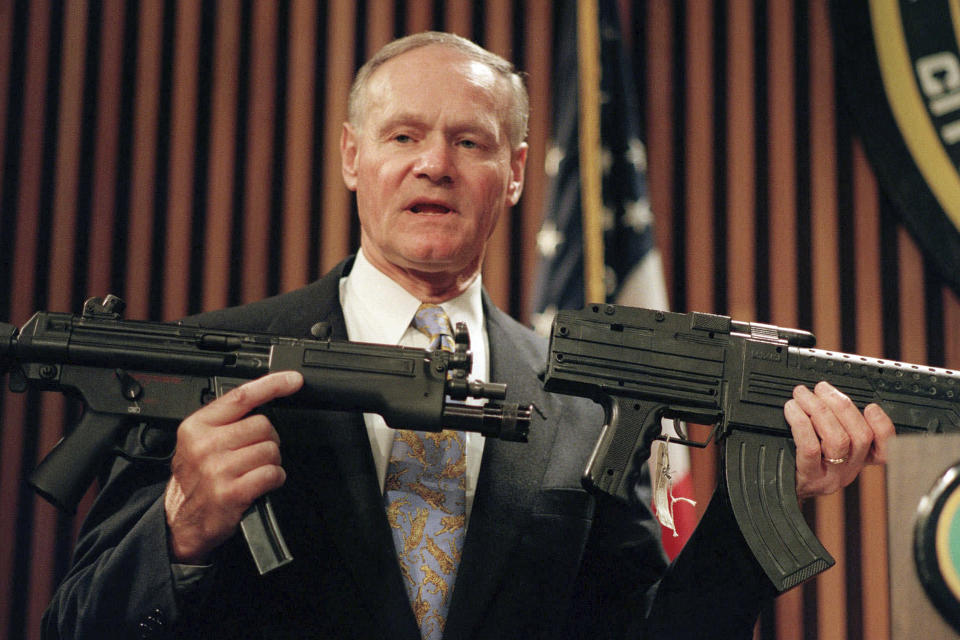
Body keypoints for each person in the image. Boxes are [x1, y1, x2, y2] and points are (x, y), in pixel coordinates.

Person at [41, 32, 895, 639]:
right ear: (351, 157)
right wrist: (179, 528)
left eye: (469, 141)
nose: (434, 165)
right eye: (403, 135)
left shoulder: (583, 407)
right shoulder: (212, 359)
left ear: (516, 171)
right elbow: (75, 625)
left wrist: (760, 505)